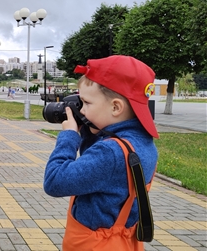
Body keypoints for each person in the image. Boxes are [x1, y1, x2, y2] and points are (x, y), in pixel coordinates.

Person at [43, 55, 158, 250]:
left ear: (115, 107)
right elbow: (99, 174)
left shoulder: (110, 153)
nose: (83, 111)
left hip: (94, 244)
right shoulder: (143, 143)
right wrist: (89, 127)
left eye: (86, 103)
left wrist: (70, 135)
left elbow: (54, 182)